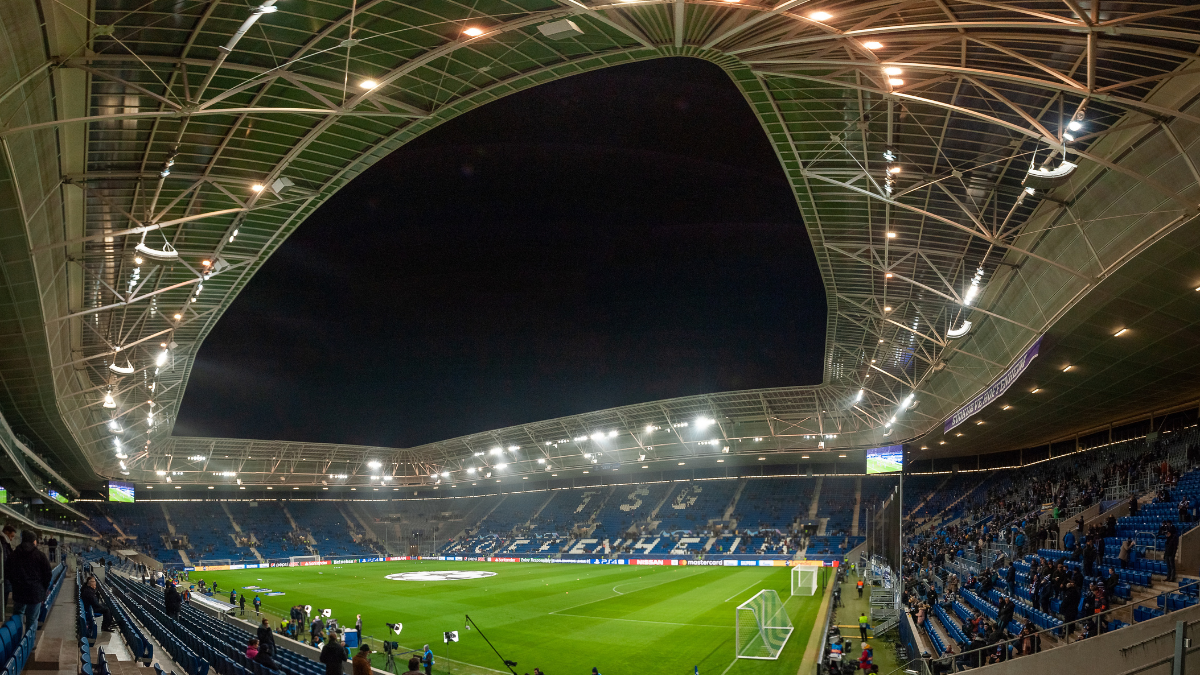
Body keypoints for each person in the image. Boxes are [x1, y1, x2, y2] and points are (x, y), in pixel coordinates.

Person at [6, 529, 51, 629]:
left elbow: (7, 572)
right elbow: (47, 574)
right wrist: (42, 588)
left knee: (18, 615)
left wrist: (15, 584)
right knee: (32, 619)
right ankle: (29, 643)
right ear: (33, 541)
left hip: (19, 591)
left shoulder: (13, 555)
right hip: (35, 592)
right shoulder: (40, 555)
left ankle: (18, 639)